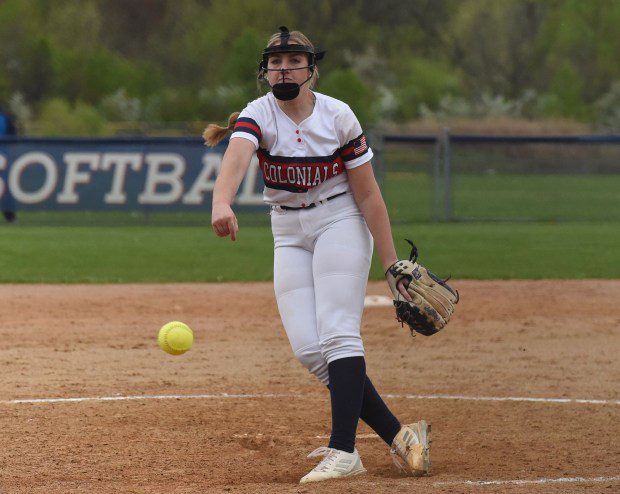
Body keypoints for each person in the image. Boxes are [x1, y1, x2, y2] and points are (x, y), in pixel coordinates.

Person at [205, 26, 430, 484]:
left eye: (293, 60)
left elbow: (369, 197)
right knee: (310, 348)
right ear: (264, 72)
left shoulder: (338, 115)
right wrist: (220, 200)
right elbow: (239, 151)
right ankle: (400, 437)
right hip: (287, 229)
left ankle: (345, 451)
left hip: (338, 220)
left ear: (312, 69)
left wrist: (390, 265)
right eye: (275, 62)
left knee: (338, 333)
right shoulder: (258, 112)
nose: (284, 68)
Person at [0, 111, 17, 223]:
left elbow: (13, 136)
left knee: (5, 186)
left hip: (3, 156)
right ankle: (10, 216)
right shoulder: (4, 118)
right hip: (4, 156)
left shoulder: (4, 118)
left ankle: (9, 216)